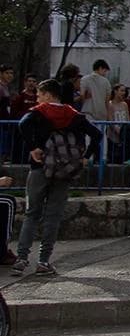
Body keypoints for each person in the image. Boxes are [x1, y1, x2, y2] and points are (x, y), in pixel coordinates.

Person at [13, 78, 104, 276]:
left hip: (39, 168)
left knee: (32, 213)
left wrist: (33, 147)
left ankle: (22, 258)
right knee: (53, 216)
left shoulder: (38, 113)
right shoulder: (74, 115)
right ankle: (44, 261)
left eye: (39, 95)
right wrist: (86, 157)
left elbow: (22, 125)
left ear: (47, 94)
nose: (37, 99)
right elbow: (97, 134)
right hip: (65, 171)